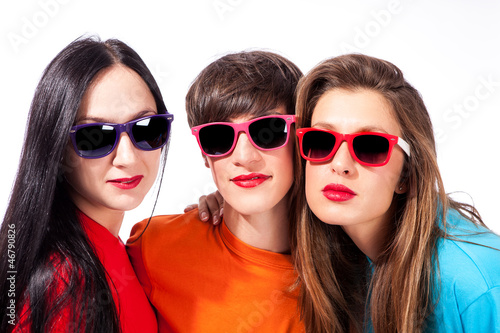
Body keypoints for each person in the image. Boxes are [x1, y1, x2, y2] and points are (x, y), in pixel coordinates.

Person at [293, 53, 500, 332]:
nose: (340, 165)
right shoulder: (335, 259)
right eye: (321, 141)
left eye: (370, 146)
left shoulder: (477, 281)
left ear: (406, 173)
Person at [0, 36, 174, 332]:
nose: (128, 158)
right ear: (57, 147)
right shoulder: (63, 283)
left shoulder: (114, 250)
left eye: (146, 128)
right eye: (96, 137)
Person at [127, 50, 305, 332]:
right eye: (219, 137)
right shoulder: (153, 247)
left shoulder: (339, 270)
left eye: (268, 131)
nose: (245, 157)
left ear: (299, 137)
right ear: (204, 153)